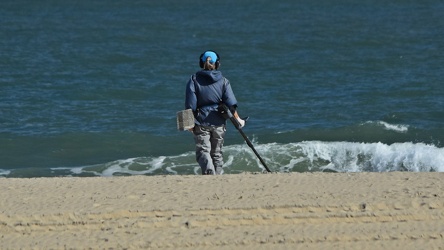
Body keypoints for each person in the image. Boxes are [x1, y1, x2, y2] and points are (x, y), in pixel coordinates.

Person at [185, 50, 247, 175]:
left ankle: (209, 175)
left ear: (201, 63)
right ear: (217, 64)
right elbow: (231, 106)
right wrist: (239, 120)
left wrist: (189, 123)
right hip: (219, 121)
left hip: (201, 121)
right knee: (217, 152)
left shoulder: (193, 80)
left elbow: (190, 105)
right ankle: (217, 176)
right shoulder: (224, 81)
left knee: (203, 151)